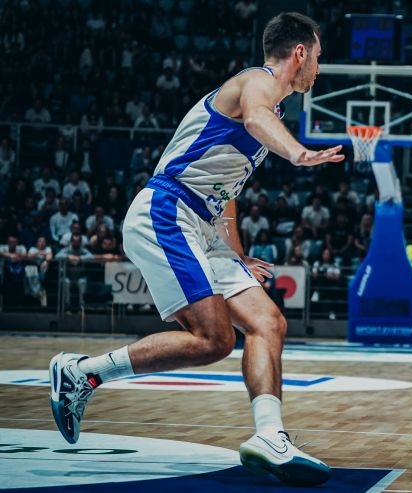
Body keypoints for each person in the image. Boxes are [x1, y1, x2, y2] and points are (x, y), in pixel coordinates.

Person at [49, 13, 342, 487]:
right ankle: (83, 373)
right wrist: (298, 153)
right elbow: (256, 117)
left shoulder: (272, 106)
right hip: (168, 210)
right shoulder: (257, 82)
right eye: (319, 58)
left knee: (268, 322)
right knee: (214, 340)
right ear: (300, 53)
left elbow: (228, 192)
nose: (319, 70)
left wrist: (237, 254)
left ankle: (270, 435)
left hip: (201, 222)